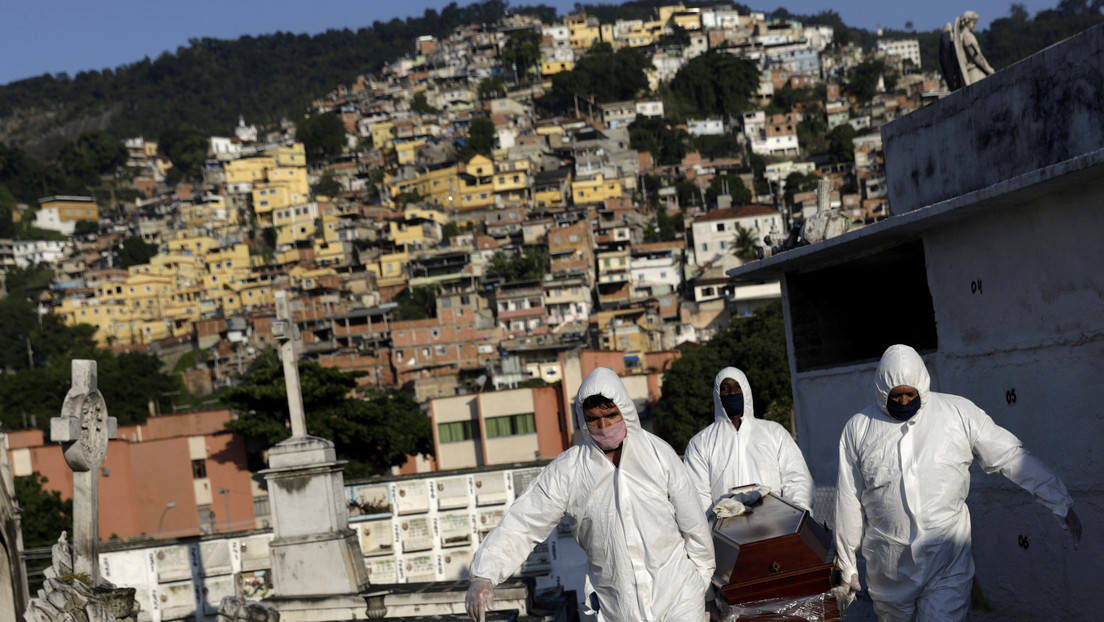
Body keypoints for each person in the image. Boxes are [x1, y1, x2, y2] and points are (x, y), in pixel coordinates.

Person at [835, 344, 1082, 621]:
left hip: (946, 560)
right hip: (889, 570)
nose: (904, 402)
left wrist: (1058, 499)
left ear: (922, 387)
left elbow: (1011, 456)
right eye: (896, 395)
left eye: (910, 394)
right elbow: (849, 497)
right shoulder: (859, 429)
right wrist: (847, 564)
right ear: (882, 392)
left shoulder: (958, 415)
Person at [465, 367, 715, 621]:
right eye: (594, 419)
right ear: (583, 420)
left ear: (625, 411)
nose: (604, 426)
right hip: (618, 604)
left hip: (678, 594)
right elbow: (524, 521)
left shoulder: (659, 455)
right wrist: (484, 575)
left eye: (611, 415)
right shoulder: (569, 470)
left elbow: (693, 524)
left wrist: (701, 586)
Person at [684, 367, 814, 516]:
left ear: (746, 390)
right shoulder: (701, 443)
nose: (732, 393)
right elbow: (698, 495)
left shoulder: (773, 432)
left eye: (737, 387)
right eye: (725, 389)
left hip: (774, 522)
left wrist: (798, 515)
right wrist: (711, 530)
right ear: (717, 395)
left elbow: (796, 478)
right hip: (727, 528)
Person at [958, 10, 995, 84]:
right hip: (974, 74)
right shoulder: (968, 36)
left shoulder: (960, 37)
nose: (975, 25)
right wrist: (989, 69)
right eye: (974, 22)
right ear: (968, 22)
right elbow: (976, 56)